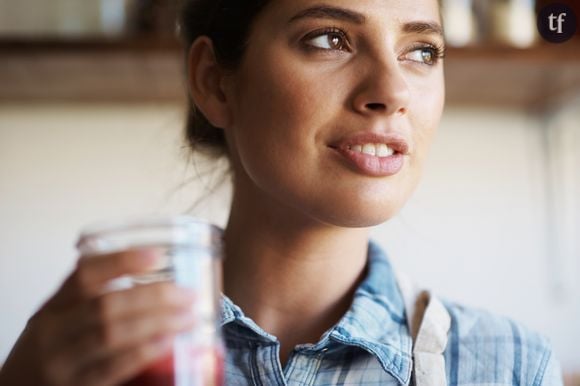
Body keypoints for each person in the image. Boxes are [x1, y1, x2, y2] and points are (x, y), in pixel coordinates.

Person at [0, 0, 565, 385]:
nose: (393, 91)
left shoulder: (510, 366)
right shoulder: (103, 359)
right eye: (330, 38)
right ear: (214, 81)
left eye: (422, 52)